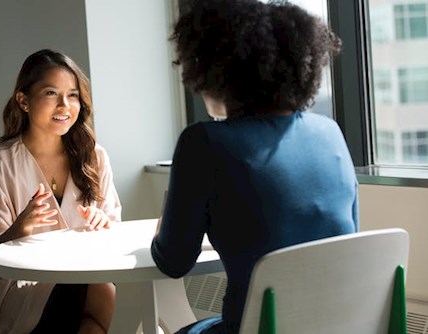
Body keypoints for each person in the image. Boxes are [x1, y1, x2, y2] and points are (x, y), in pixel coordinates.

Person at [151, 0, 359, 333]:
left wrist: (165, 229)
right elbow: (347, 239)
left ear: (214, 70)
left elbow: (174, 262)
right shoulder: (330, 133)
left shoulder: (203, 142)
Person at [0, 49, 122, 334]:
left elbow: (114, 233)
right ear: (24, 101)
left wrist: (103, 223)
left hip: (87, 278)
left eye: (73, 95)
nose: (65, 105)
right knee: (100, 292)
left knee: (101, 291)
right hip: (19, 291)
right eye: (51, 93)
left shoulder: (94, 157)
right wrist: (19, 229)